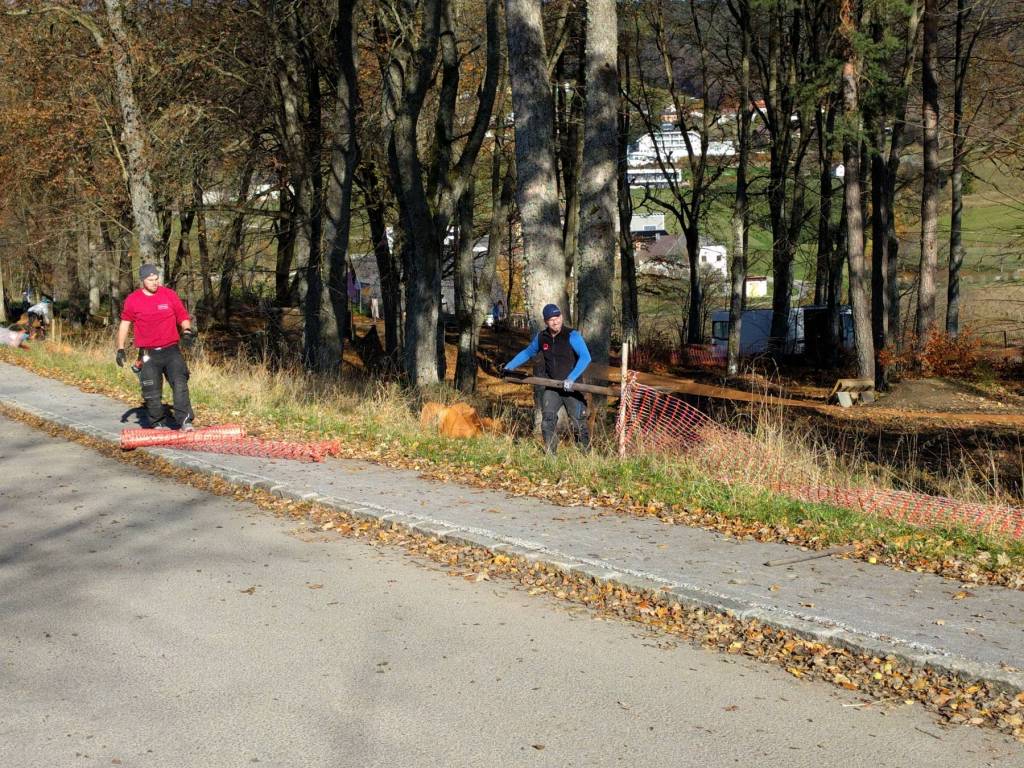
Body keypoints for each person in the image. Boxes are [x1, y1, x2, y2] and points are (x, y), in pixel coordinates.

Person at [116, 264, 197, 430]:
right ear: (142, 280)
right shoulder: (133, 299)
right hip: (148, 353)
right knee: (151, 391)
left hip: (171, 350)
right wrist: (120, 348)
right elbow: (125, 324)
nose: (155, 282)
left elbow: (182, 316)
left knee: (180, 385)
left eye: (156, 279)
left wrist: (187, 331)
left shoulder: (169, 294)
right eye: (150, 280)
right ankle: (157, 423)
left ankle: (185, 421)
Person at [503, 303, 592, 454]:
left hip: (573, 387)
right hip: (552, 386)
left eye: (557, 317)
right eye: (551, 319)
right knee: (547, 421)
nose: (555, 321)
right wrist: (510, 366)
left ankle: (585, 456)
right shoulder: (542, 337)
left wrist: (571, 378)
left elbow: (585, 357)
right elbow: (527, 352)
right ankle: (551, 456)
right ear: (545, 321)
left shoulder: (572, 335)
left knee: (579, 423)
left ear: (561, 317)